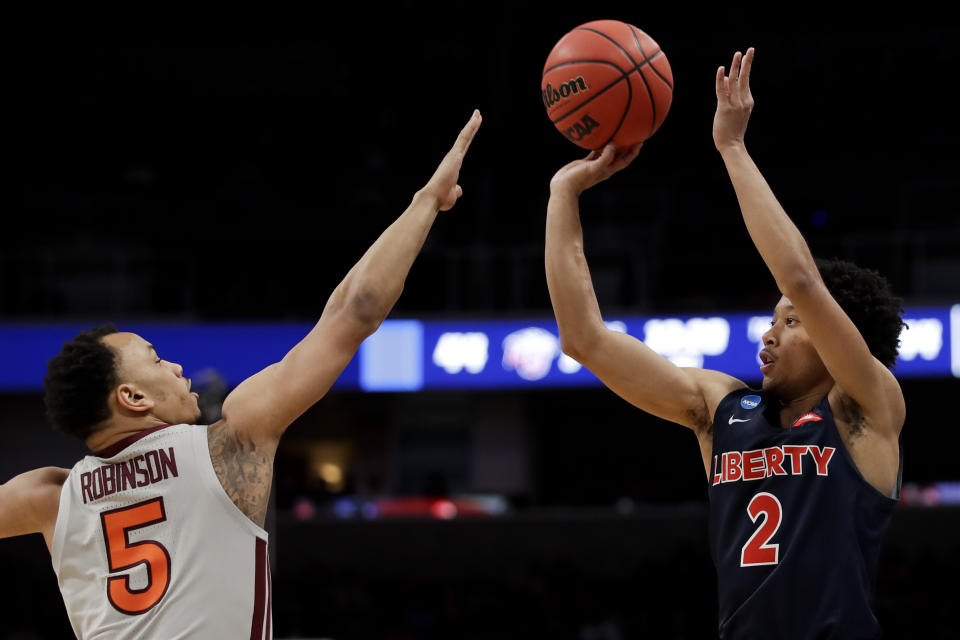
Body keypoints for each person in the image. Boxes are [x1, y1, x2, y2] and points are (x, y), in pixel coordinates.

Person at [0, 109, 482, 639]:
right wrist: (426, 202)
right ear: (134, 396)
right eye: (159, 359)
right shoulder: (228, 444)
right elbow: (356, 313)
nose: (178, 368)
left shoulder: (47, 496)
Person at [545, 48, 905, 639]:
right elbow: (584, 339)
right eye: (772, 319)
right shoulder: (722, 410)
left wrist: (732, 148)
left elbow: (801, 280)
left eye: (791, 323)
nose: (769, 331)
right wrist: (564, 196)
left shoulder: (866, 406)